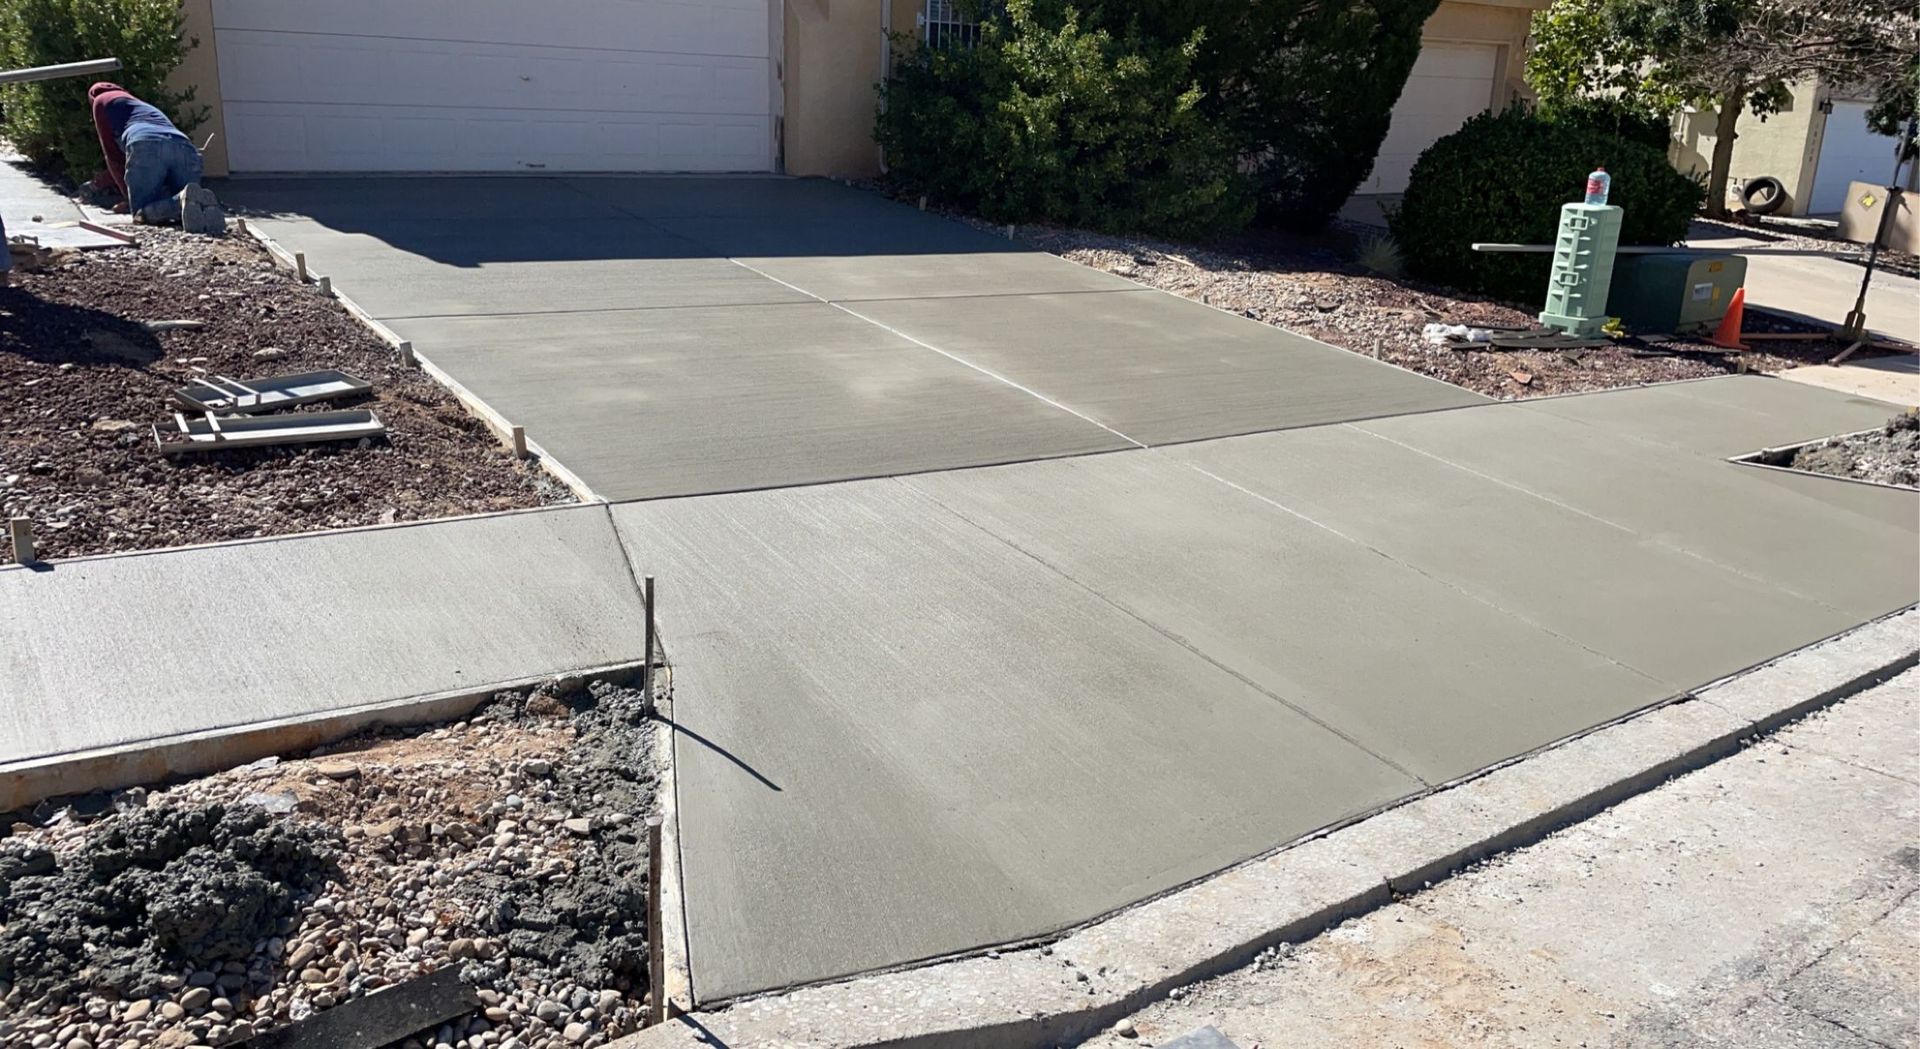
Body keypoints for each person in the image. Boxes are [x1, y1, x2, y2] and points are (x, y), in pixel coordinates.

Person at [88, 82, 202, 224]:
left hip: (145, 143)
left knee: (141, 215)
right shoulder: (138, 103)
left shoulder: (99, 101)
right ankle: (197, 204)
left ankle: (178, 202)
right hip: (184, 145)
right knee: (191, 203)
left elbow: (113, 157)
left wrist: (127, 197)